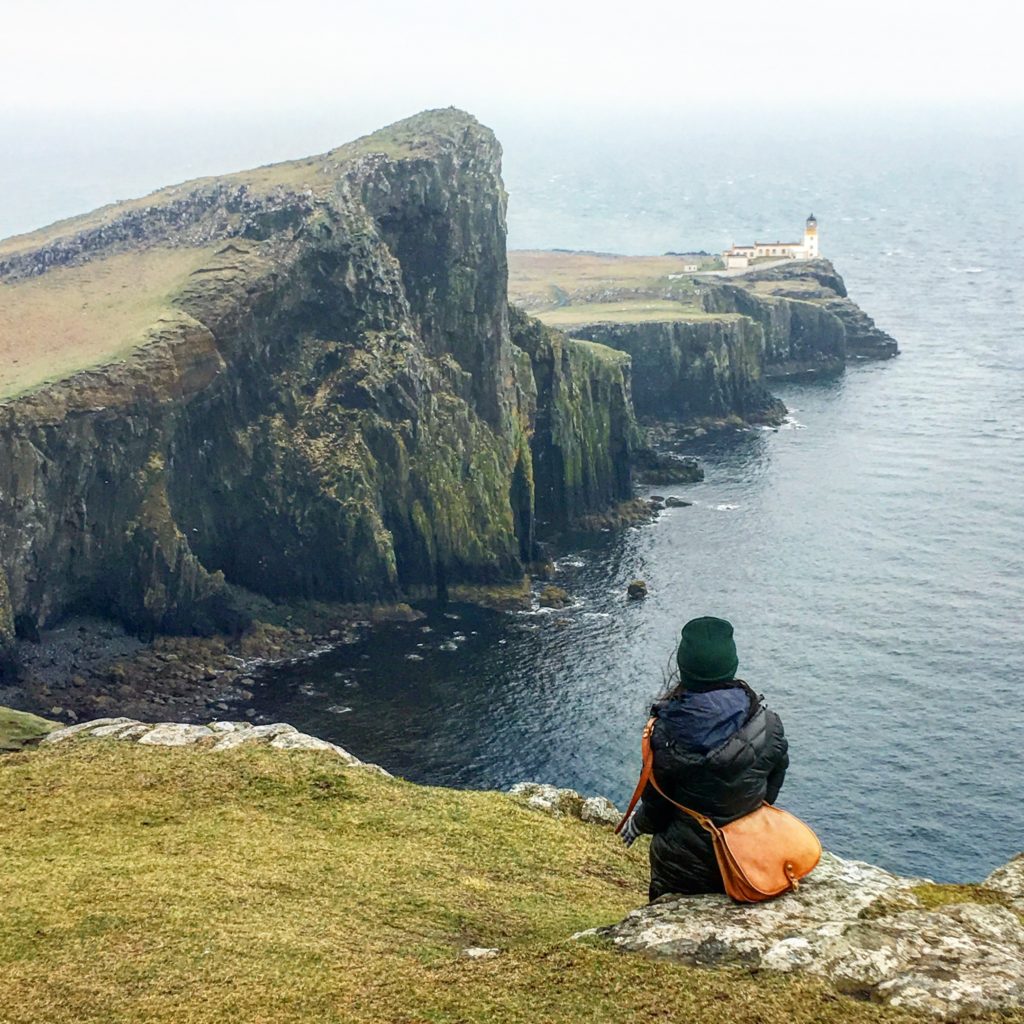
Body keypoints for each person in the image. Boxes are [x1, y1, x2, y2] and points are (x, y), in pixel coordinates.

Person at [619, 616, 789, 901]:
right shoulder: (767, 724)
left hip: (682, 868)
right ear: (730, 666)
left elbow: (657, 805)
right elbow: (775, 776)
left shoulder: (666, 732)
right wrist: (745, 808)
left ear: (684, 669)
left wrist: (638, 824)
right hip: (748, 856)